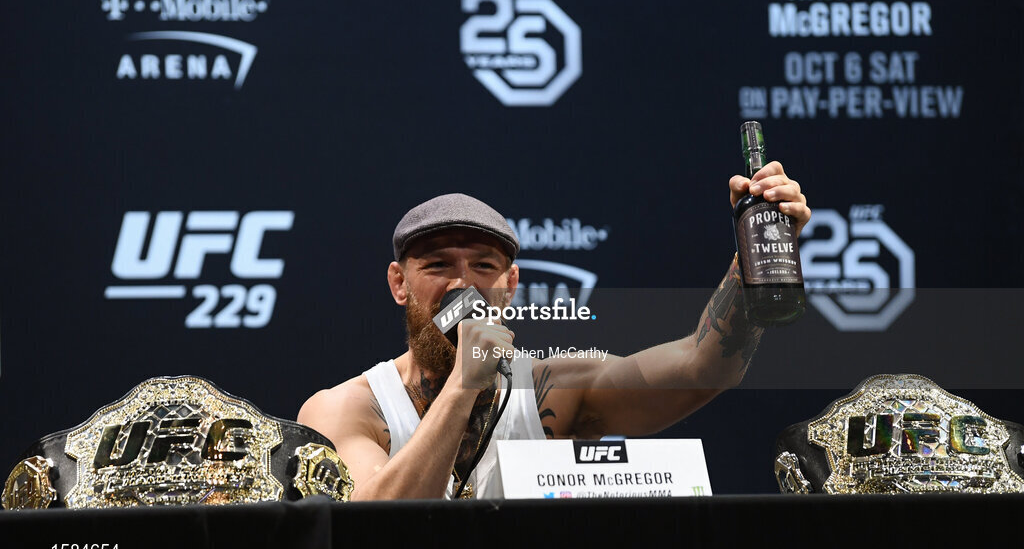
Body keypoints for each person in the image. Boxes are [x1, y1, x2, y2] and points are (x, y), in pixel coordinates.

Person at [297, 162, 810, 500]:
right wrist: (463, 384)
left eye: (484, 266)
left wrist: (756, 257)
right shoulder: (346, 408)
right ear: (399, 283)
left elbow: (702, 367)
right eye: (437, 265)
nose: (462, 284)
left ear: (511, 285)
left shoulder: (554, 390)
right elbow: (370, 528)